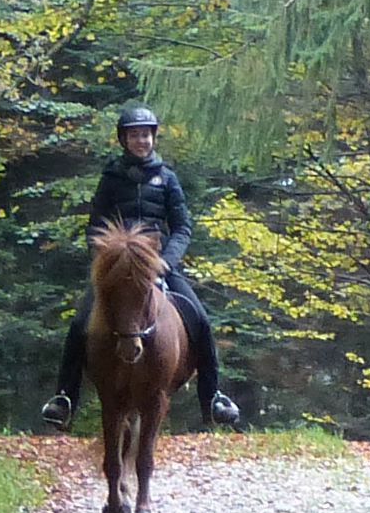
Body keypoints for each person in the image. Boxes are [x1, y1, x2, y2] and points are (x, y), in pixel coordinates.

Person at [42, 106, 240, 430]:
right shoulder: (111, 178)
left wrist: (166, 261)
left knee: (200, 320)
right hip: (118, 269)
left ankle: (213, 397)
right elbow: (96, 226)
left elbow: (182, 227)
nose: (141, 141)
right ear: (124, 140)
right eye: (135, 135)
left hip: (158, 265)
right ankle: (64, 398)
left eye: (146, 135)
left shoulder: (168, 178)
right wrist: (107, 259)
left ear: (153, 137)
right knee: (79, 324)